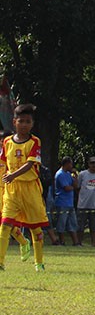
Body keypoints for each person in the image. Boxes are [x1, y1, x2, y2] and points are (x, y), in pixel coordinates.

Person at [0, 104, 48, 271]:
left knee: (35, 227)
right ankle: (0, 262)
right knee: (5, 225)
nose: (24, 124)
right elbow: (4, 163)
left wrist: (13, 175)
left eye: (28, 121)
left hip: (30, 188)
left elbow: (29, 164)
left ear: (32, 124)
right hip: (12, 189)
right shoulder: (6, 142)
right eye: (21, 121)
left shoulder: (35, 141)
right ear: (14, 122)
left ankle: (39, 263)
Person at [77, 157, 95, 246]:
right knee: (80, 226)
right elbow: (78, 187)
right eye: (92, 163)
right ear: (88, 164)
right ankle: (79, 242)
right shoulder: (82, 174)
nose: (93, 165)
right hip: (82, 204)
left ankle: (93, 242)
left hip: (94, 205)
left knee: (94, 226)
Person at [53, 157, 79, 246]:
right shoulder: (60, 174)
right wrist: (73, 187)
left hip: (70, 203)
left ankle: (76, 242)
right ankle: (62, 241)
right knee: (62, 223)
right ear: (66, 164)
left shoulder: (68, 174)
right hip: (62, 202)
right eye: (70, 164)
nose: (72, 166)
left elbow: (76, 185)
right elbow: (67, 188)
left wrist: (75, 175)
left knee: (72, 223)